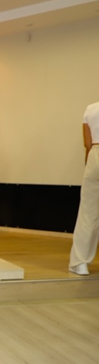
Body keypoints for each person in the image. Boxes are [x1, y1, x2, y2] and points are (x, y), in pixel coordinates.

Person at [69, 101, 99, 276]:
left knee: (88, 213)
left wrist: (89, 163)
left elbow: (87, 143)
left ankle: (80, 263)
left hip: (95, 153)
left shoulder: (91, 108)